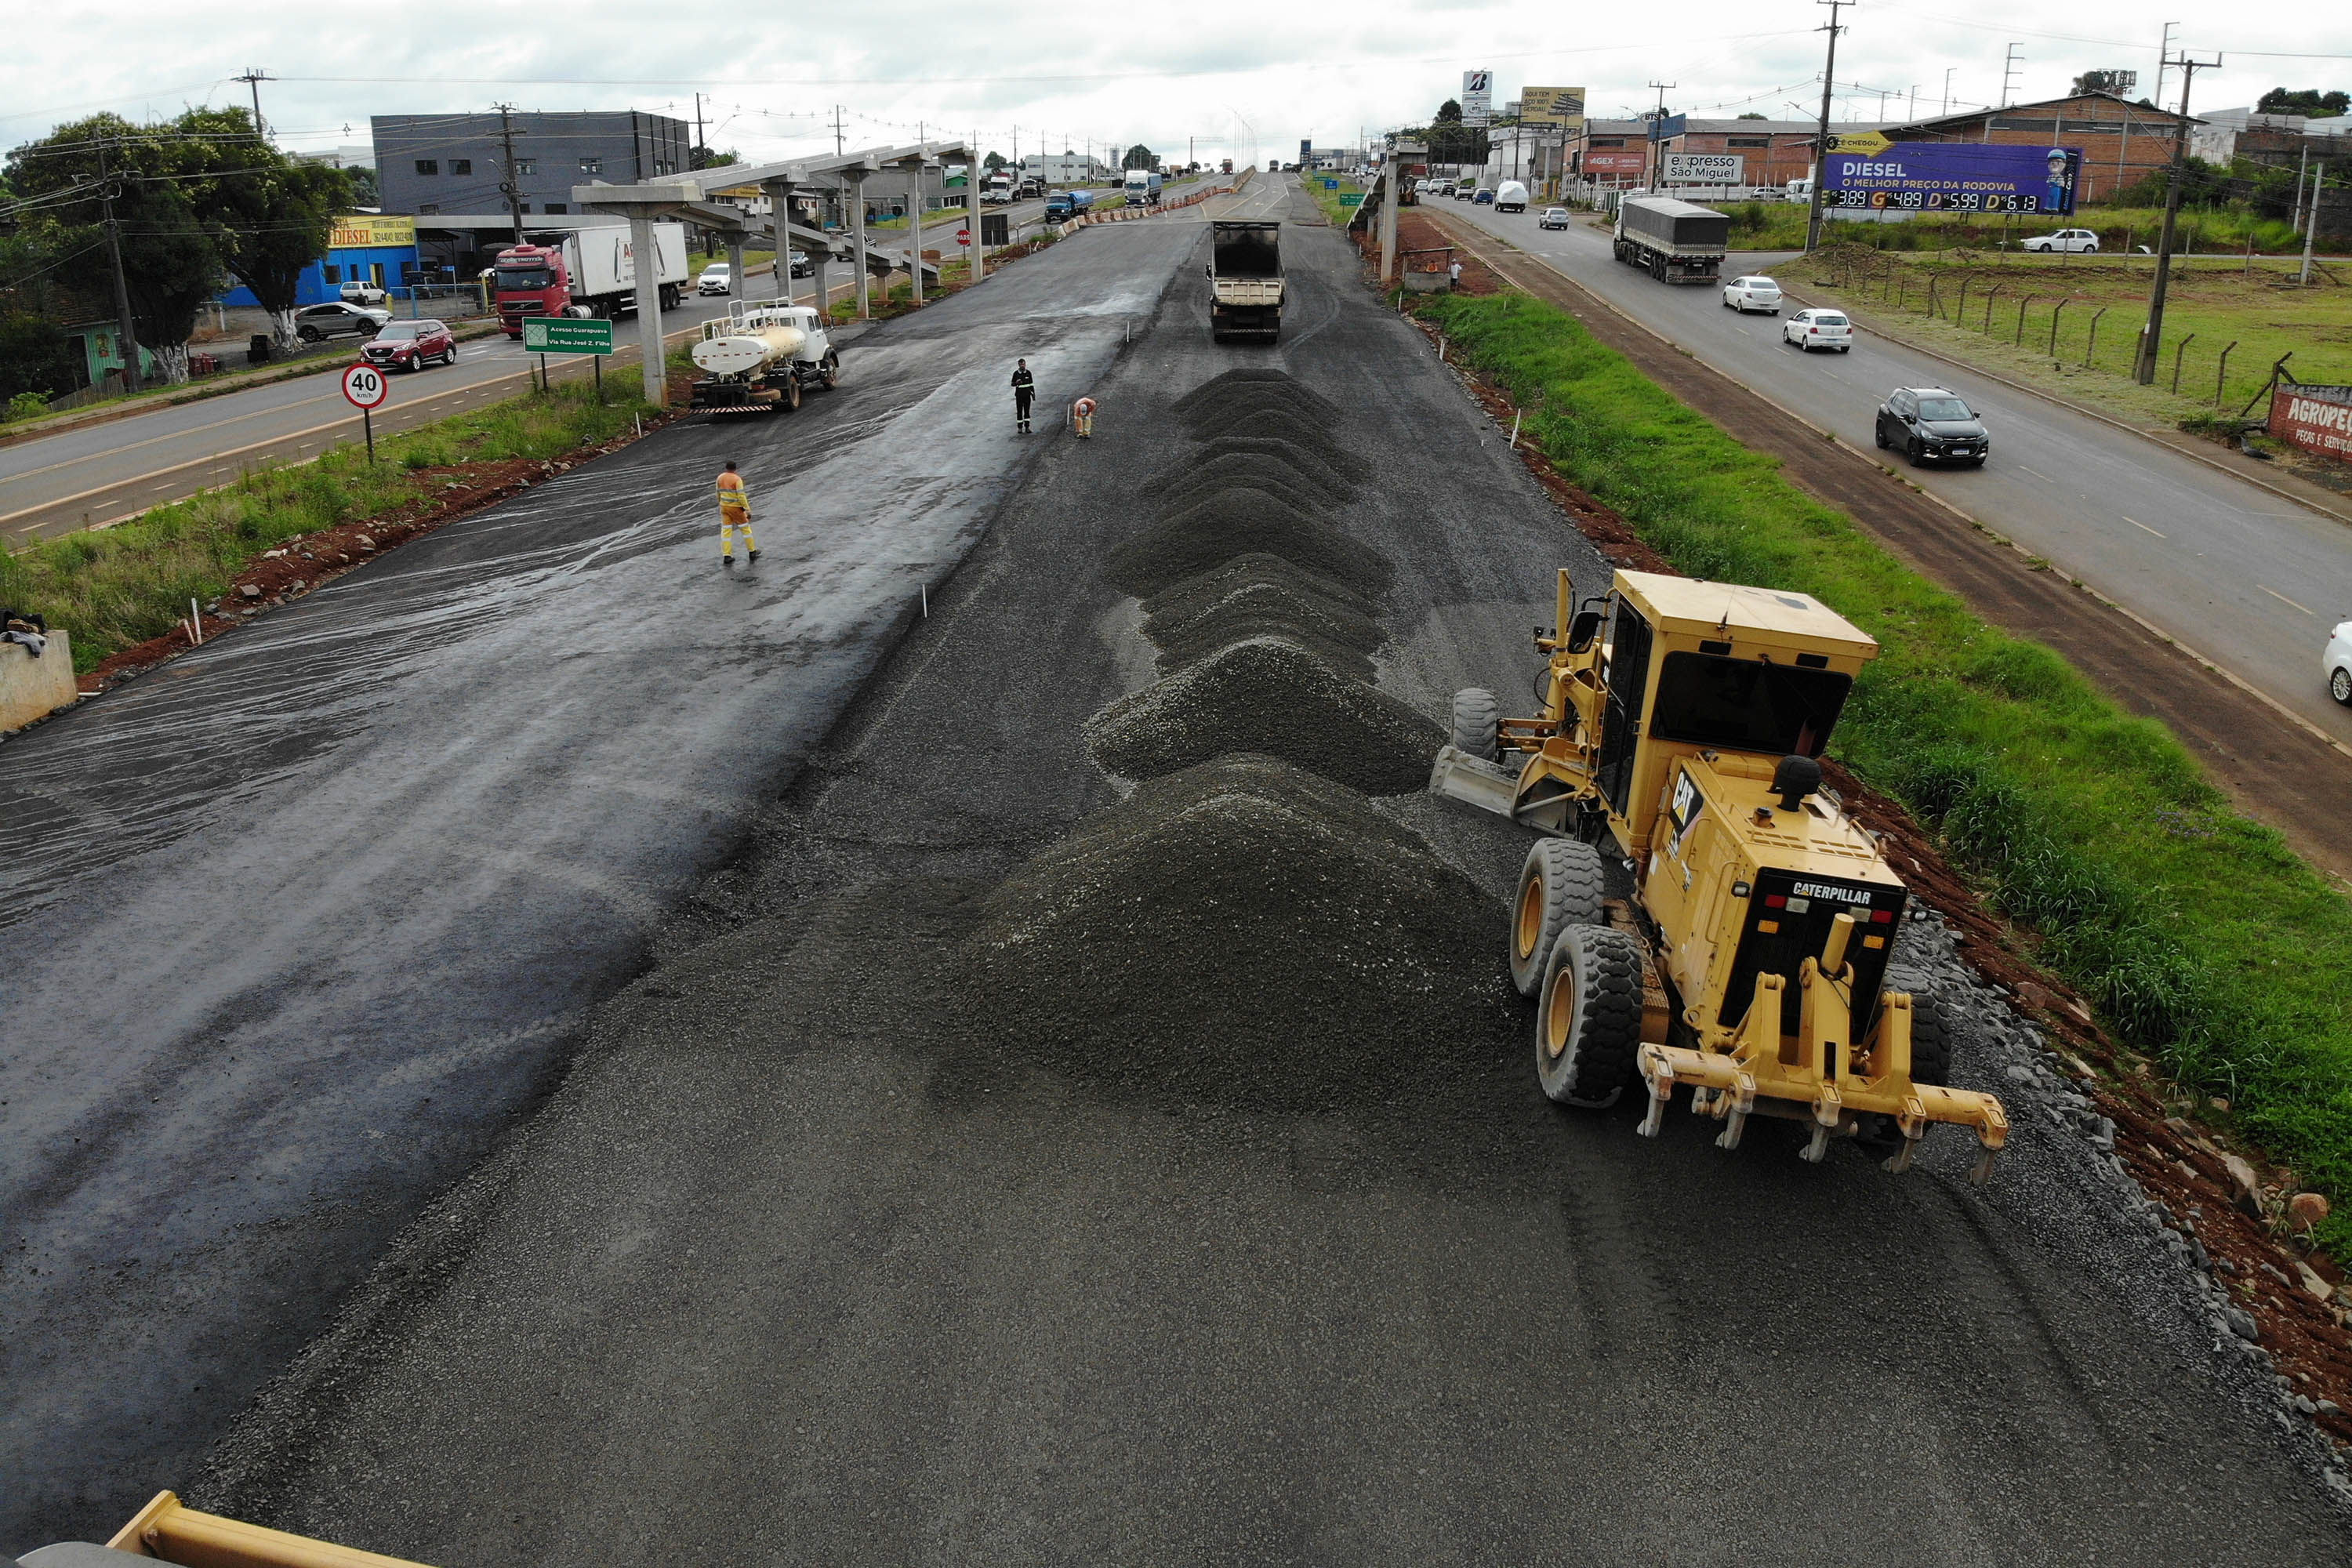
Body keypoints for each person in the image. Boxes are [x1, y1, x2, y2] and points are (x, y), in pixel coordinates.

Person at [714, 459, 757, 568]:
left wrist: (721, 503)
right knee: (745, 529)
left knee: (726, 532)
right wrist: (747, 510)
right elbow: (741, 495)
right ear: (735, 469)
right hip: (736, 508)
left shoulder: (720, 477)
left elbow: (718, 492)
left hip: (724, 507)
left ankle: (727, 556)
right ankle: (752, 552)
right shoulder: (737, 479)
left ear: (726, 468)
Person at [1010, 358, 1036, 434]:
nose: (1022, 366)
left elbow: (1031, 384)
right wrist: (1016, 383)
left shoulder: (1028, 373)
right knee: (1019, 411)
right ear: (1019, 365)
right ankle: (1020, 428)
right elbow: (1012, 384)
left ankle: (1027, 427)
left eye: (1023, 364)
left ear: (1025, 364)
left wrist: (1033, 394)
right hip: (1019, 396)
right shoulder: (1016, 374)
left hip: (1027, 396)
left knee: (1027, 412)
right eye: (1021, 364)